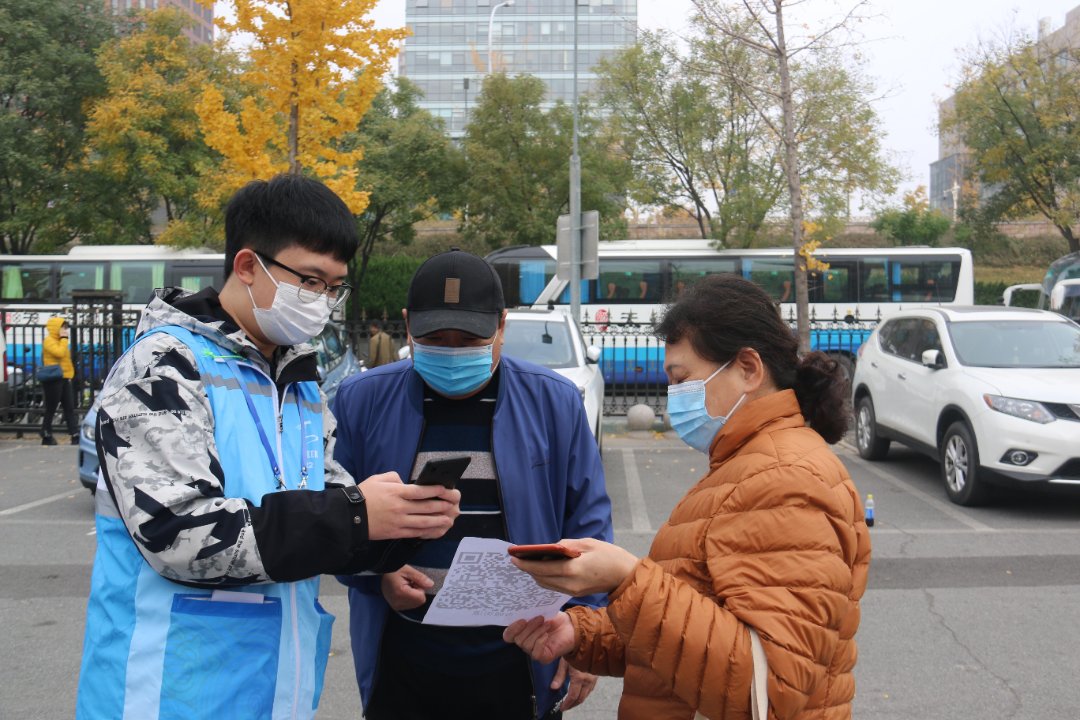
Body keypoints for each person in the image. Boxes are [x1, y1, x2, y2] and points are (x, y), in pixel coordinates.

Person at [75, 175, 461, 720]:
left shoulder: (299, 381)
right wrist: (354, 517)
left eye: (334, 286)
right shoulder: (165, 366)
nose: (321, 300)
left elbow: (323, 496)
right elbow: (180, 535)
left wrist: (383, 543)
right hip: (169, 693)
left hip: (276, 688)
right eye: (309, 280)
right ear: (248, 266)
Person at [505, 273, 872, 720]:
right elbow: (697, 626)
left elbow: (769, 689)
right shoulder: (747, 464)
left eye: (684, 379)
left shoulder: (785, 480)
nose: (673, 396)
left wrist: (625, 579)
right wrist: (582, 633)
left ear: (749, 369)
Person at [333, 248, 614, 720]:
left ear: (502, 326)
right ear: (407, 326)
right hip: (401, 656)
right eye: (435, 338)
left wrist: (587, 630)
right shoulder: (362, 400)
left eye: (469, 338)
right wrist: (375, 573)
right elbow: (333, 515)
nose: (452, 350)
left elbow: (589, 524)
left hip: (520, 654)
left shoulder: (554, 401)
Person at [40, 316, 78, 445]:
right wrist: (64, 339)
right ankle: (46, 433)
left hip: (65, 377)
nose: (65, 330)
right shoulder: (49, 341)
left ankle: (74, 434)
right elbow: (60, 353)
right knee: (51, 407)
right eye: (63, 327)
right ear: (56, 328)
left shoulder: (60, 341)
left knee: (69, 407)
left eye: (66, 328)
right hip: (53, 379)